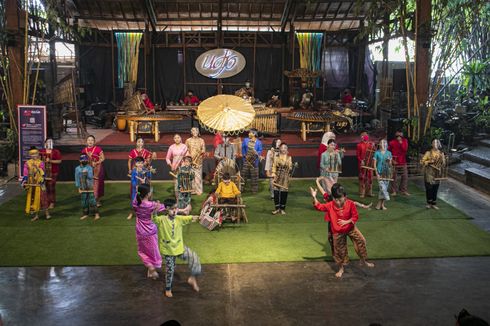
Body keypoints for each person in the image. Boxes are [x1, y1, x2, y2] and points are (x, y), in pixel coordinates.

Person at [311, 183, 374, 278]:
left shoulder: (350, 204)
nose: (337, 201)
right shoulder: (330, 205)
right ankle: (341, 268)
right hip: (337, 232)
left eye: (339, 199)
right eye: (335, 199)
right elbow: (319, 206)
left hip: (350, 228)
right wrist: (314, 197)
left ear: (345, 196)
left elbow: (355, 216)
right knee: (339, 251)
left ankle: (363, 260)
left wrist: (347, 221)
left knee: (361, 241)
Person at [152, 198, 201, 298]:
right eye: (172, 209)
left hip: (179, 249)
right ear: (166, 209)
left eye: (176, 208)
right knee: (170, 270)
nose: (174, 211)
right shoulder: (161, 220)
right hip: (168, 251)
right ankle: (168, 289)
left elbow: (192, 218)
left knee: (194, 258)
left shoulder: (179, 219)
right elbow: (154, 218)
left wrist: (201, 217)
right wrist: (155, 210)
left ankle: (192, 278)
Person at [133, 184, 164, 280]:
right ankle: (151, 267)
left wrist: (139, 188)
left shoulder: (135, 202)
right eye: (150, 191)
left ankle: (149, 268)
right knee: (153, 250)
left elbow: (137, 195)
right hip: (150, 231)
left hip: (140, 230)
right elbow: (164, 207)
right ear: (147, 194)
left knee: (143, 251)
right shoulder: (152, 205)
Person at [21, 147, 50, 221]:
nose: (35, 155)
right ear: (30, 155)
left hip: (40, 183)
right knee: (34, 199)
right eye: (33, 154)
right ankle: (36, 215)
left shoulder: (41, 162)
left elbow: (42, 172)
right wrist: (25, 181)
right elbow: (25, 174)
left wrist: (37, 169)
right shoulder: (27, 163)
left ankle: (47, 214)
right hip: (32, 184)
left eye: (36, 154)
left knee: (43, 198)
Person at [421, 139, 446, 210]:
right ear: (432, 144)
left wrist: (443, 160)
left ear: (439, 144)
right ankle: (429, 203)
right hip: (429, 173)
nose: (435, 144)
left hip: (437, 174)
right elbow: (422, 161)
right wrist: (429, 161)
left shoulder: (441, 153)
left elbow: (443, 164)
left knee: (435, 189)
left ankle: (434, 203)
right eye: (434, 142)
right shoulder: (428, 153)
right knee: (429, 189)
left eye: (437, 142)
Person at [75, 154, 100, 220]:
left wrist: (85, 173)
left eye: (86, 160)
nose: (84, 161)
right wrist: (78, 188)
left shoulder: (89, 167)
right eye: (83, 160)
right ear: (79, 161)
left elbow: (90, 177)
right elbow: (77, 178)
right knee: (84, 201)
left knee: (92, 200)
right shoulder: (77, 169)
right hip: (82, 187)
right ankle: (85, 214)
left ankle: (97, 214)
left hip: (90, 186)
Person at [81, 135, 105, 207]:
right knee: (89, 184)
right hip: (88, 170)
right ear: (86, 142)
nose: (90, 141)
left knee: (98, 184)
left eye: (92, 140)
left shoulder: (98, 149)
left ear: (94, 142)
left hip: (98, 169)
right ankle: (90, 199)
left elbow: (103, 158)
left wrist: (96, 163)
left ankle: (97, 200)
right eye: (89, 140)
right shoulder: (84, 150)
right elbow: (82, 161)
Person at [39, 138, 62, 209]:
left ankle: (52, 202)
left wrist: (50, 161)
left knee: (51, 187)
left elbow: (59, 161)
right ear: (45, 143)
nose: (49, 143)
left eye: (51, 142)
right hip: (43, 173)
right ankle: (44, 202)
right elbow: (38, 160)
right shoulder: (41, 151)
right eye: (48, 142)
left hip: (53, 172)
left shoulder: (56, 151)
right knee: (43, 188)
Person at [271, 143, 293, 215]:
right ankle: (277, 209)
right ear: (280, 149)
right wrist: (273, 174)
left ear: (287, 149)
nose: (283, 149)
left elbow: (290, 167)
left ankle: (282, 209)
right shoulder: (276, 157)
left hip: (285, 177)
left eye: (285, 148)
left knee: (284, 192)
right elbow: (274, 166)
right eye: (282, 147)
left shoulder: (289, 158)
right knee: (276, 192)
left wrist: (290, 167)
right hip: (277, 176)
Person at [373, 139, 393, 210]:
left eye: (384, 142)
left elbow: (390, 165)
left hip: (387, 173)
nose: (383, 143)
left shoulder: (389, 153)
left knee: (384, 188)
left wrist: (389, 161)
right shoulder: (377, 153)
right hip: (379, 173)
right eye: (381, 142)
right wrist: (376, 173)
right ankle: (387, 197)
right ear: (379, 144)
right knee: (382, 188)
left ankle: (381, 205)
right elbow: (374, 164)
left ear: (386, 144)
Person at [389, 130, 410, 196]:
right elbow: (388, 153)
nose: (399, 136)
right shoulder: (392, 142)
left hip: (403, 162)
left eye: (400, 134)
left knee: (405, 176)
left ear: (402, 134)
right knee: (394, 177)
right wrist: (392, 160)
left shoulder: (405, 141)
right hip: (394, 162)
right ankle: (394, 191)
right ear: (395, 134)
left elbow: (405, 149)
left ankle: (403, 190)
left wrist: (401, 143)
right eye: (397, 134)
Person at [241, 129, 263, 193]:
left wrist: (257, 153)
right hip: (246, 160)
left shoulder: (259, 142)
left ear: (254, 134)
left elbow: (260, 151)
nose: (248, 134)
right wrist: (245, 155)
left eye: (250, 133)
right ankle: (241, 188)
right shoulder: (245, 140)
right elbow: (243, 149)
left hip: (254, 161)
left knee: (254, 176)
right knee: (243, 175)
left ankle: (254, 189)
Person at [185, 127, 206, 195]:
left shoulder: (201, 140)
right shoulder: (188, 140)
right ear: (191, 132)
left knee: (198, 176)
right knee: (190, 175)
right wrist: (189, 156)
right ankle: (191, 190)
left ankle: (198, 190)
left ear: (198, 132)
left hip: (198, 160)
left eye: (196, 130)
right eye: (193, 131)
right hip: (190, 160)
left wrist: (201, 152)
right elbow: (186, 149)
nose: (195, 132)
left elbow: (203, 149)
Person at [356, 131, 374, 198]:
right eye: (363, 135)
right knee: (362, 178)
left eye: (366, 135)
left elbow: (373, 152)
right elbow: (358, 155)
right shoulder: (359, 145)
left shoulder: (371, 144)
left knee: (370, 178)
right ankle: (362, 192)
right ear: (361, 137)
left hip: (369, 163)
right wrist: (361, 161)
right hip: (362, 163)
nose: (365, 136)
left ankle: (369, 192)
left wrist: (373, 146)